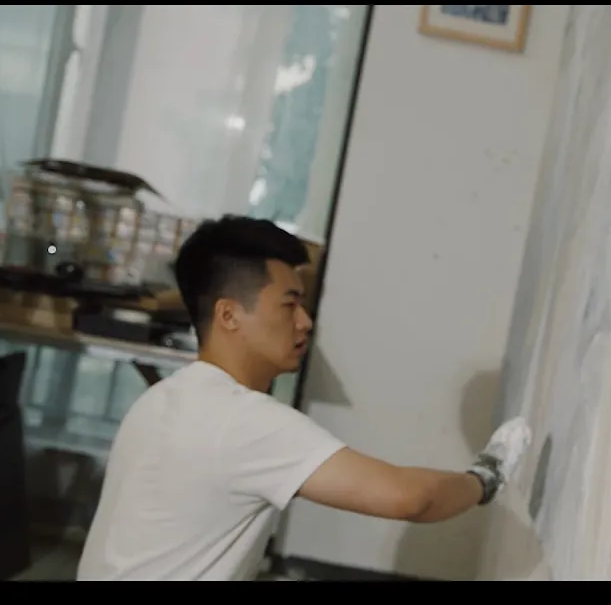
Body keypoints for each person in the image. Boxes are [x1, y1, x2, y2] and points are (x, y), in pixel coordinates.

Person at [76, 215, 532, 581]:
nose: (305, 322)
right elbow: (410, 499)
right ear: (229, 315)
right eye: (289, 304)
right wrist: (486, 476)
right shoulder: (241, 420)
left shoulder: (158, 401)